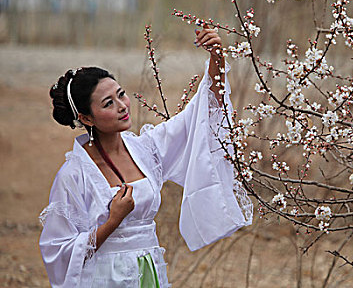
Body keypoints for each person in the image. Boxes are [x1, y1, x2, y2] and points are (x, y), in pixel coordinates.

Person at [39, 26, 253, 287]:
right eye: (108, 103)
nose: (122, 106)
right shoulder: (74, 175)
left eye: (121, 95)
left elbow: (200, 113)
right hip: (105, 278)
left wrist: (217, 58)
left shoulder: (146, 149)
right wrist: (112, 221)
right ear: (85, 118)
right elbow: (58, 253)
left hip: (149, 271)